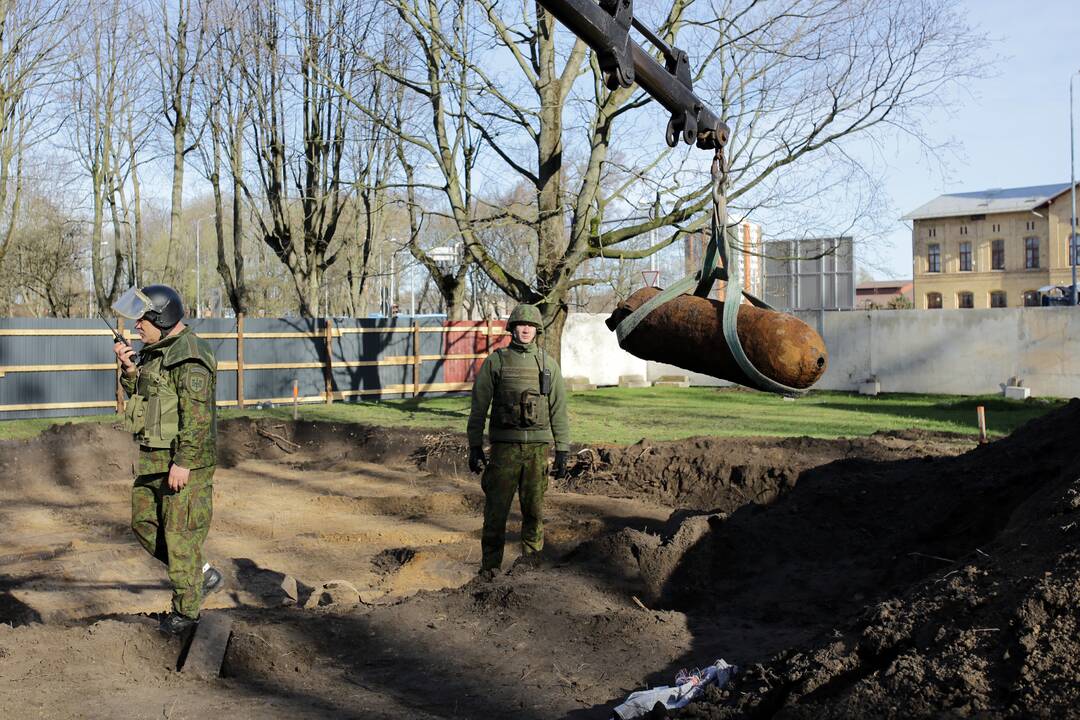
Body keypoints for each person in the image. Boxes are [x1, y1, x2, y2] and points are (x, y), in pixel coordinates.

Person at [111, 285, 222, 635]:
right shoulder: (156, 352)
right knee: (143, 524)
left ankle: (185, 616)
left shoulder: (189, 355)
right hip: (154, 458)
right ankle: (199, 572)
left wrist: (185, 462)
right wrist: (129, 370)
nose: (136, 326)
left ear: (163, 317)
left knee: (180, 536)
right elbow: (146, 397)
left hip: (183, 463)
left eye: (143, 319)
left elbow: (198, 417)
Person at [467, 303, 570, 578]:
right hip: (504, 450)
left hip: (537, 450)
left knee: (534, 513)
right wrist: (475, 445)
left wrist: (562, 449)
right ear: (512, 328)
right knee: (496, 513)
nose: (525, 330)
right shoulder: (496, 362)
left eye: (531, 326)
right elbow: (479, 406)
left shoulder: (548, 365)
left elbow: (558, 408)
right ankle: (489, 570)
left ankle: (530, 571)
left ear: (537, 330)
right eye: (521, 325)